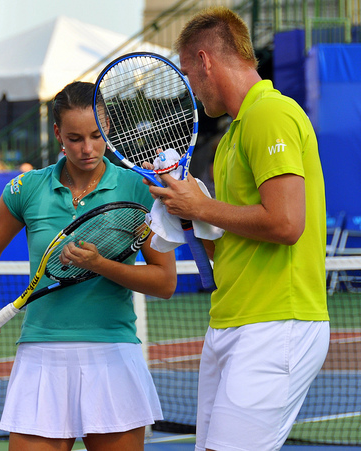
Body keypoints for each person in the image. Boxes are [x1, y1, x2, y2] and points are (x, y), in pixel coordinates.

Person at [148, 7, 329, 451]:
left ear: (205, 61)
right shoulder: (231, 137)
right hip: (230, 321)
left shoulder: (271, 114)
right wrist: (192, 216)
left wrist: (202, 206)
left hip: (276, 323)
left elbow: (286, 223)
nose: (190, 88)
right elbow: (229, 246)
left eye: (188, 73)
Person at [0, 81, 177, 451]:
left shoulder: (139, 188)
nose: (87, 149)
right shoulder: (26, 188)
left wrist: (100, 264)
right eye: (75, 138)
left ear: (108, 126)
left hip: (111, 353)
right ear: (58, 133)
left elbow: (164, 282)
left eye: (96, 135)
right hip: (41, 355)